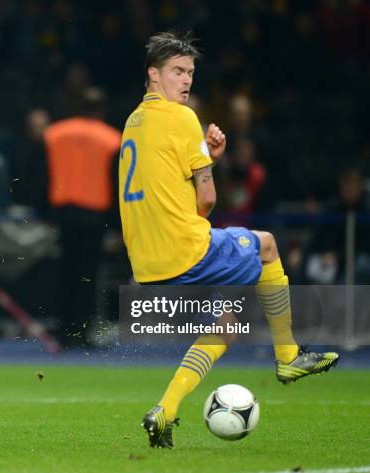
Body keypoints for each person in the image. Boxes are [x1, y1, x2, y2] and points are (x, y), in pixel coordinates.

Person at [118, 32, 339, 449]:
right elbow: (206, 203)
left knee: (229, 323)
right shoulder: (183, 118)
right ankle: (289, 357)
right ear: (154, 74)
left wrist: (205, 159)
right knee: (269, 244)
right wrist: (208, 167)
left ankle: (164, 412)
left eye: (190, 73)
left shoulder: (133, 122)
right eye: (177, 72)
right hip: (185, 249)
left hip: (146, 261)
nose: (186, 81)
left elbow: (165, 182)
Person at [44, 87, 121, 346]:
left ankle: (62, 330)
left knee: (64, 272)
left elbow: (41, 174)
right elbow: (116, 182)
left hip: (63, 214)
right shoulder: (111, 138)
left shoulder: (55, 133)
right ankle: (82, 332)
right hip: (94, 217)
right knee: (87, 277)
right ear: (101, 109)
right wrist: (117, 224)